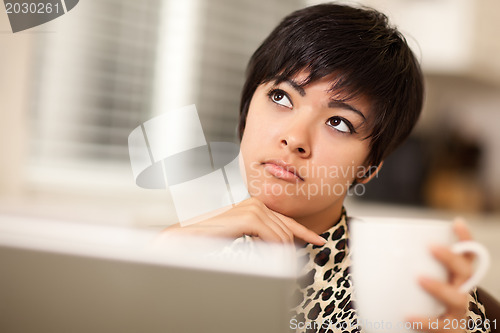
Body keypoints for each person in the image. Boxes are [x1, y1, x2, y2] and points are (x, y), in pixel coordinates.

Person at [162, 3, 493, 332]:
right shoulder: (191, 253)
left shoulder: (408, 291)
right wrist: (160, 253)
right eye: (281, 97)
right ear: (246, 111)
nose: (294, 139)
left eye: (339, 122)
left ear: (369, 168)